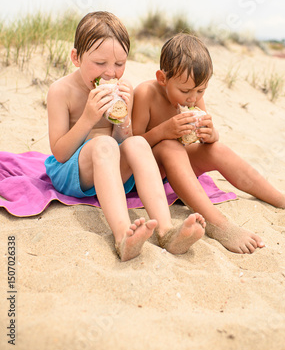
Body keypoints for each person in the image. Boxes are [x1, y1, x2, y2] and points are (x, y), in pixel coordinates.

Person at [132, 33, 285, 254]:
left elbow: (209, 137)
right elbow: (134, 144)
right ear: (162, 78)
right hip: (150, 169)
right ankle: (219, 225)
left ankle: (281, 200)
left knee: (217, 150)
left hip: (178, 167)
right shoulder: (145, 93)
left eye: (200, 91)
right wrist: (164, 131)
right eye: (185, 91)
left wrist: (209, 134)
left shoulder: (194, 95)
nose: (192, 98)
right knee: (171, 146)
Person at [45, 13, 205, 262]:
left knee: (137, 142)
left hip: (112, 171)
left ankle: (165, 230)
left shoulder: (122, 89)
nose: (111, 72)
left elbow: (123, 140)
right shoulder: (60, 91)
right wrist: (88, 117)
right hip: (74, 173)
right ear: (76, 57)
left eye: (119, 63)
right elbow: (60, 152)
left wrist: (124, 120)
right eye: (100, 63)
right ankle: (122, 236)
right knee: (104, 143)